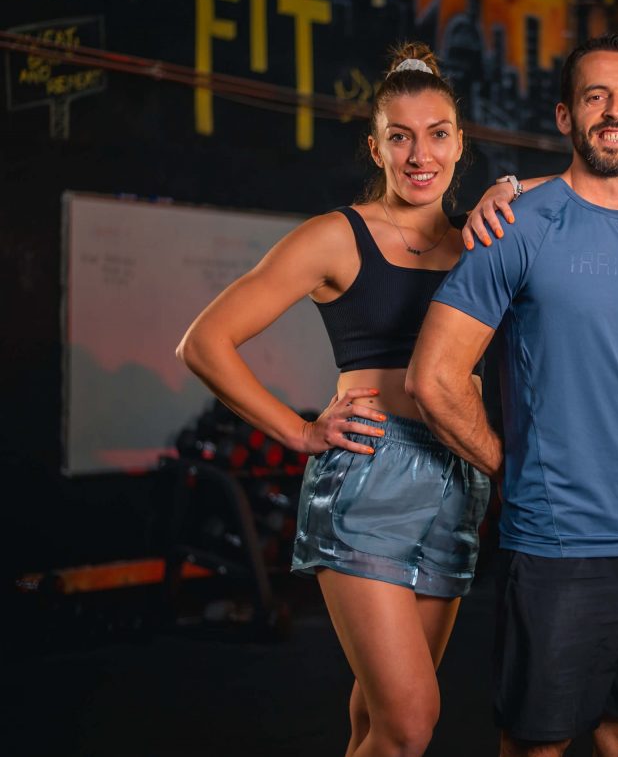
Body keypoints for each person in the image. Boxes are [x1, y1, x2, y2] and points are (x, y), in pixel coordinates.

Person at [406, 31, 618, 757]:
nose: (615, 111)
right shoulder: (514, 226)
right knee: (538, 740)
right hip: (557, 542)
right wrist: (513, 465)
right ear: (565, 115)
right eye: (596, 96)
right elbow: (433, 377)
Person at [176, 42, 492, 757]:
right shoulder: (337, 237)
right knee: (411, 723)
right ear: (376, 148)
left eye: (437, 134)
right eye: (400, 137)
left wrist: (511, 192)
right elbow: (205, 342)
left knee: (376, 724)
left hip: (457, 479)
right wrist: (299, 431)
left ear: (459, 143)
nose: (420, 154)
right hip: (370, 477)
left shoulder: (481, 239)